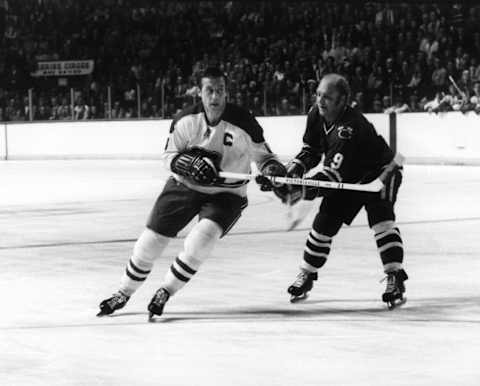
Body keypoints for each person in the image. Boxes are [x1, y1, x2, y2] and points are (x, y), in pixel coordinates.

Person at [97, 67, 287, 319]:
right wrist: (186, 164)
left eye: (220, 90)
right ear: (200, 92)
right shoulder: (185, 120)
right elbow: (168, 157)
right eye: (209, 90)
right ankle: (124, 291)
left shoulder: (244, 122)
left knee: (202, 240)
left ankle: (166, 290)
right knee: (149, 243)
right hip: (184, 187)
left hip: (226, 193)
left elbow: (265, 158)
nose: (215, 96)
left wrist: (272, 172)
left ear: (227, 92)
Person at [276, 73, 407, 309]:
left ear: (342, 100)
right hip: (348, 176)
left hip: (379, 174)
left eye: (327, 97)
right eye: (318, 95)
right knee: (324, 223)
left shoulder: (350, 128)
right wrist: (292, 172)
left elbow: (329, 178)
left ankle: (395, 276)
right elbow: (311, 150)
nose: (320, 101)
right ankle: (307, 274)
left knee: (381, 221)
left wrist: (300, 189)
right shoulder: (316, 114)